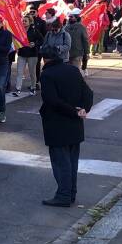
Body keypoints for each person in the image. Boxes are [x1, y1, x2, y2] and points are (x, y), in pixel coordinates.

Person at [38, 45, 93, 207]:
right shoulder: (73, 70)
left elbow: (52, 101)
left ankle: (63, 195)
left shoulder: (47, 74)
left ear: (45, 59)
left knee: (60, 162)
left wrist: (73, 111)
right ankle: (70, 193)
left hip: (57, 124)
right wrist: (83, 109)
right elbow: (88, 93)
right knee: (72, 161)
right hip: (75, 125)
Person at [13, 14, 41, 97]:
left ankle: (33, 88)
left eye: (25, 21)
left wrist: (35, 43)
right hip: (22, 54)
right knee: (19, 72)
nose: (24, 22)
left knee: (32, 73)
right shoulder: (19, 30)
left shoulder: (34, 30)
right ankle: (18, 89)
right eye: (23, 21)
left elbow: (41, 40)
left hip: (32, 54)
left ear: (30, 22)